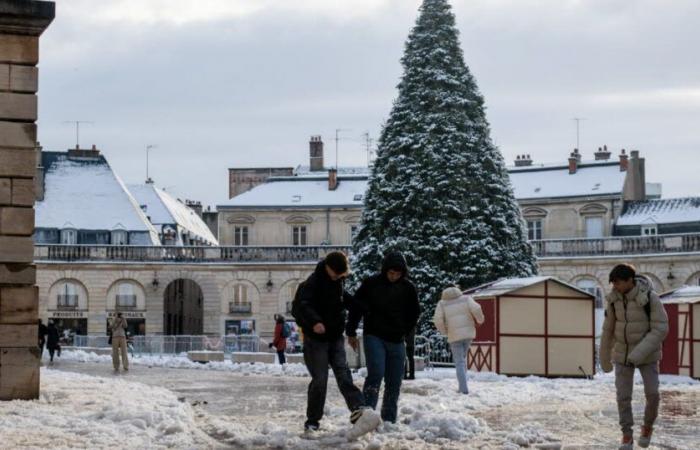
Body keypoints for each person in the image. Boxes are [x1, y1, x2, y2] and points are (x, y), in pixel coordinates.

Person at [291, 251, 380, 437]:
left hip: (335, 337)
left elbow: (343, 299)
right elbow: (303, 306)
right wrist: (315, 322)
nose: (338, 277)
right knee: (320, 380)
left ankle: (359, 410)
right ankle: (312, 421)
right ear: (327, 267)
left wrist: (360, 306)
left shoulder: (338, 281)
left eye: (341, 274)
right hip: (316, 340)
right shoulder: (312, 283)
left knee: (343, 373)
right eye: (335, 273)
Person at [346, 251, 420, 423]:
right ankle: (367, 415)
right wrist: (350, 331)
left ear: (403, 273)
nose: (394, 276)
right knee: (376, 373)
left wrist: (405, 331)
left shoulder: (408, 288)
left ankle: (389, 419)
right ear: (385, 270)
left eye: (398, 273)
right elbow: (356, 307)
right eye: (391, 273)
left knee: (395, 380)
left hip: (397, 339)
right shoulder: (371, 284)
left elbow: (414, 313)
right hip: (374, 335)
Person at [600, 264, 669, 450]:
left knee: (653, 394)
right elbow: (608, 329)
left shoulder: (650, 298)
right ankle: (627, 435)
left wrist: (638, 353)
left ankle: (647, 428)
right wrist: (604, 357)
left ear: (630, 280)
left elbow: (661, 328)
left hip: (647, 355)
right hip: (622, 355)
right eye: (612, 283)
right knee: (623, 397)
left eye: (618, 283)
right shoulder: (614, 300)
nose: (615, 286)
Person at [433, 286, 484, 395]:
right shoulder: (466, 298)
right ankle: (464, 383)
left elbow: (437, 320)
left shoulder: (442, 303)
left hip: (454, 335)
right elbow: (477, 308)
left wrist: (444, 331)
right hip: (468, 334)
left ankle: (463, 388)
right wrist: (480, 320)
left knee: (459, 362)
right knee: (463, 359)